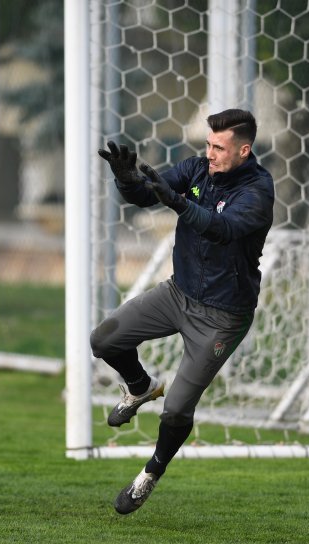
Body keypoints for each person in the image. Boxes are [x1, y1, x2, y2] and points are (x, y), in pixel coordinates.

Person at [91, 108, 275, 514]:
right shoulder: (195, 169)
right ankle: (140, 386)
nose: (210, 153)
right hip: (178, 293)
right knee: (103, 340)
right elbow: (146, 196)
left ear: (244, 150)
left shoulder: (258, 191)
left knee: (175, 409)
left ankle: (150, 474)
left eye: (219, 147)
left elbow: (222, 229)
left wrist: (175, 202)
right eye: (208, 144)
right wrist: (126, 178)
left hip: (223, 317)